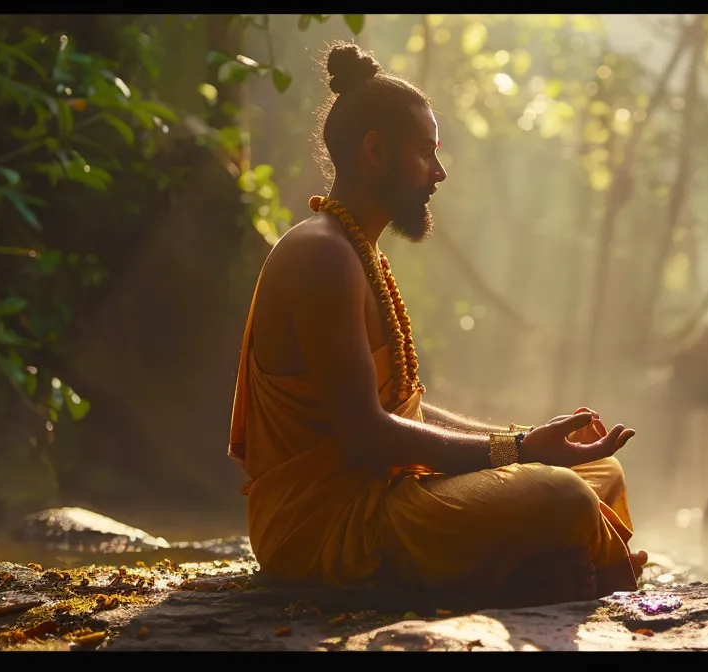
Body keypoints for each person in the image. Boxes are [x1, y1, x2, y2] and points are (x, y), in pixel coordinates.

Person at [225, 42, 646, 609]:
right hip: (326, 523)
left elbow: (405, 410)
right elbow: (366, 435)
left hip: (392, 494)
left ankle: (534, 571)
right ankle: (537, 573)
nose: (440, 173)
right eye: (426, 153)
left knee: (599, 469)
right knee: (564, 497)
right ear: (375, 151)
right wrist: (516, 452)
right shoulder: (320, 255)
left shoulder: (358, 253)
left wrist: (522, 443)